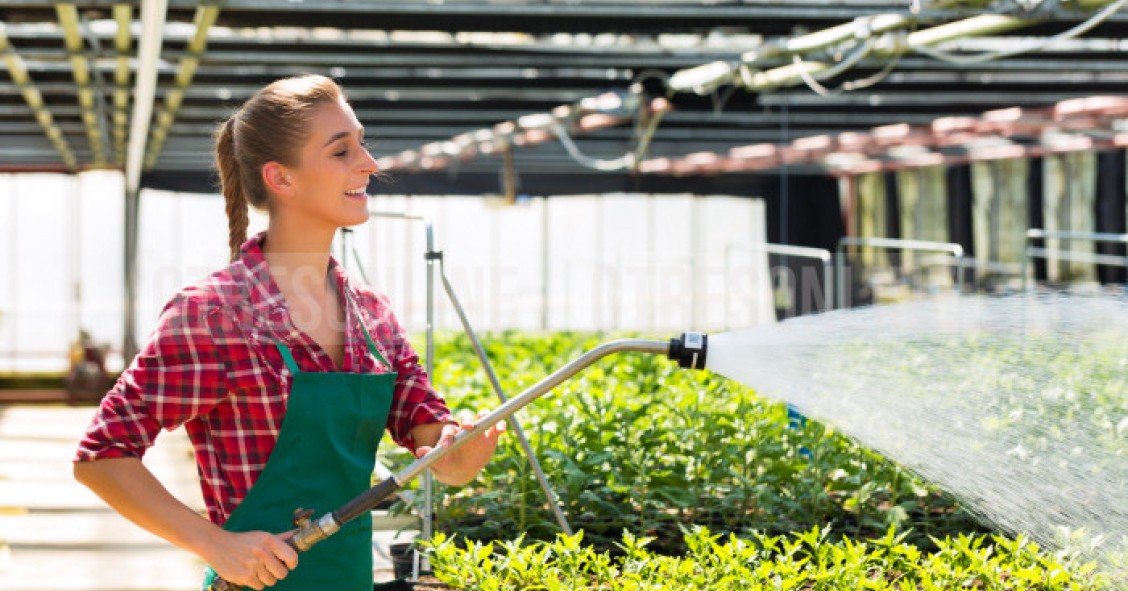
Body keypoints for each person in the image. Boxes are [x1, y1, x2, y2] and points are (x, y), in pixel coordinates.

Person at [73, 74, 504, 591]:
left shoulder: (370, 313)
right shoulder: (216, 313)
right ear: (281, 178)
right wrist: (215, 544)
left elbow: (433, 440)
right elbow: (103, 455)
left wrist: (459, 453)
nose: (369, 162)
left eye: (362, 143)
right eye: (342, 151)